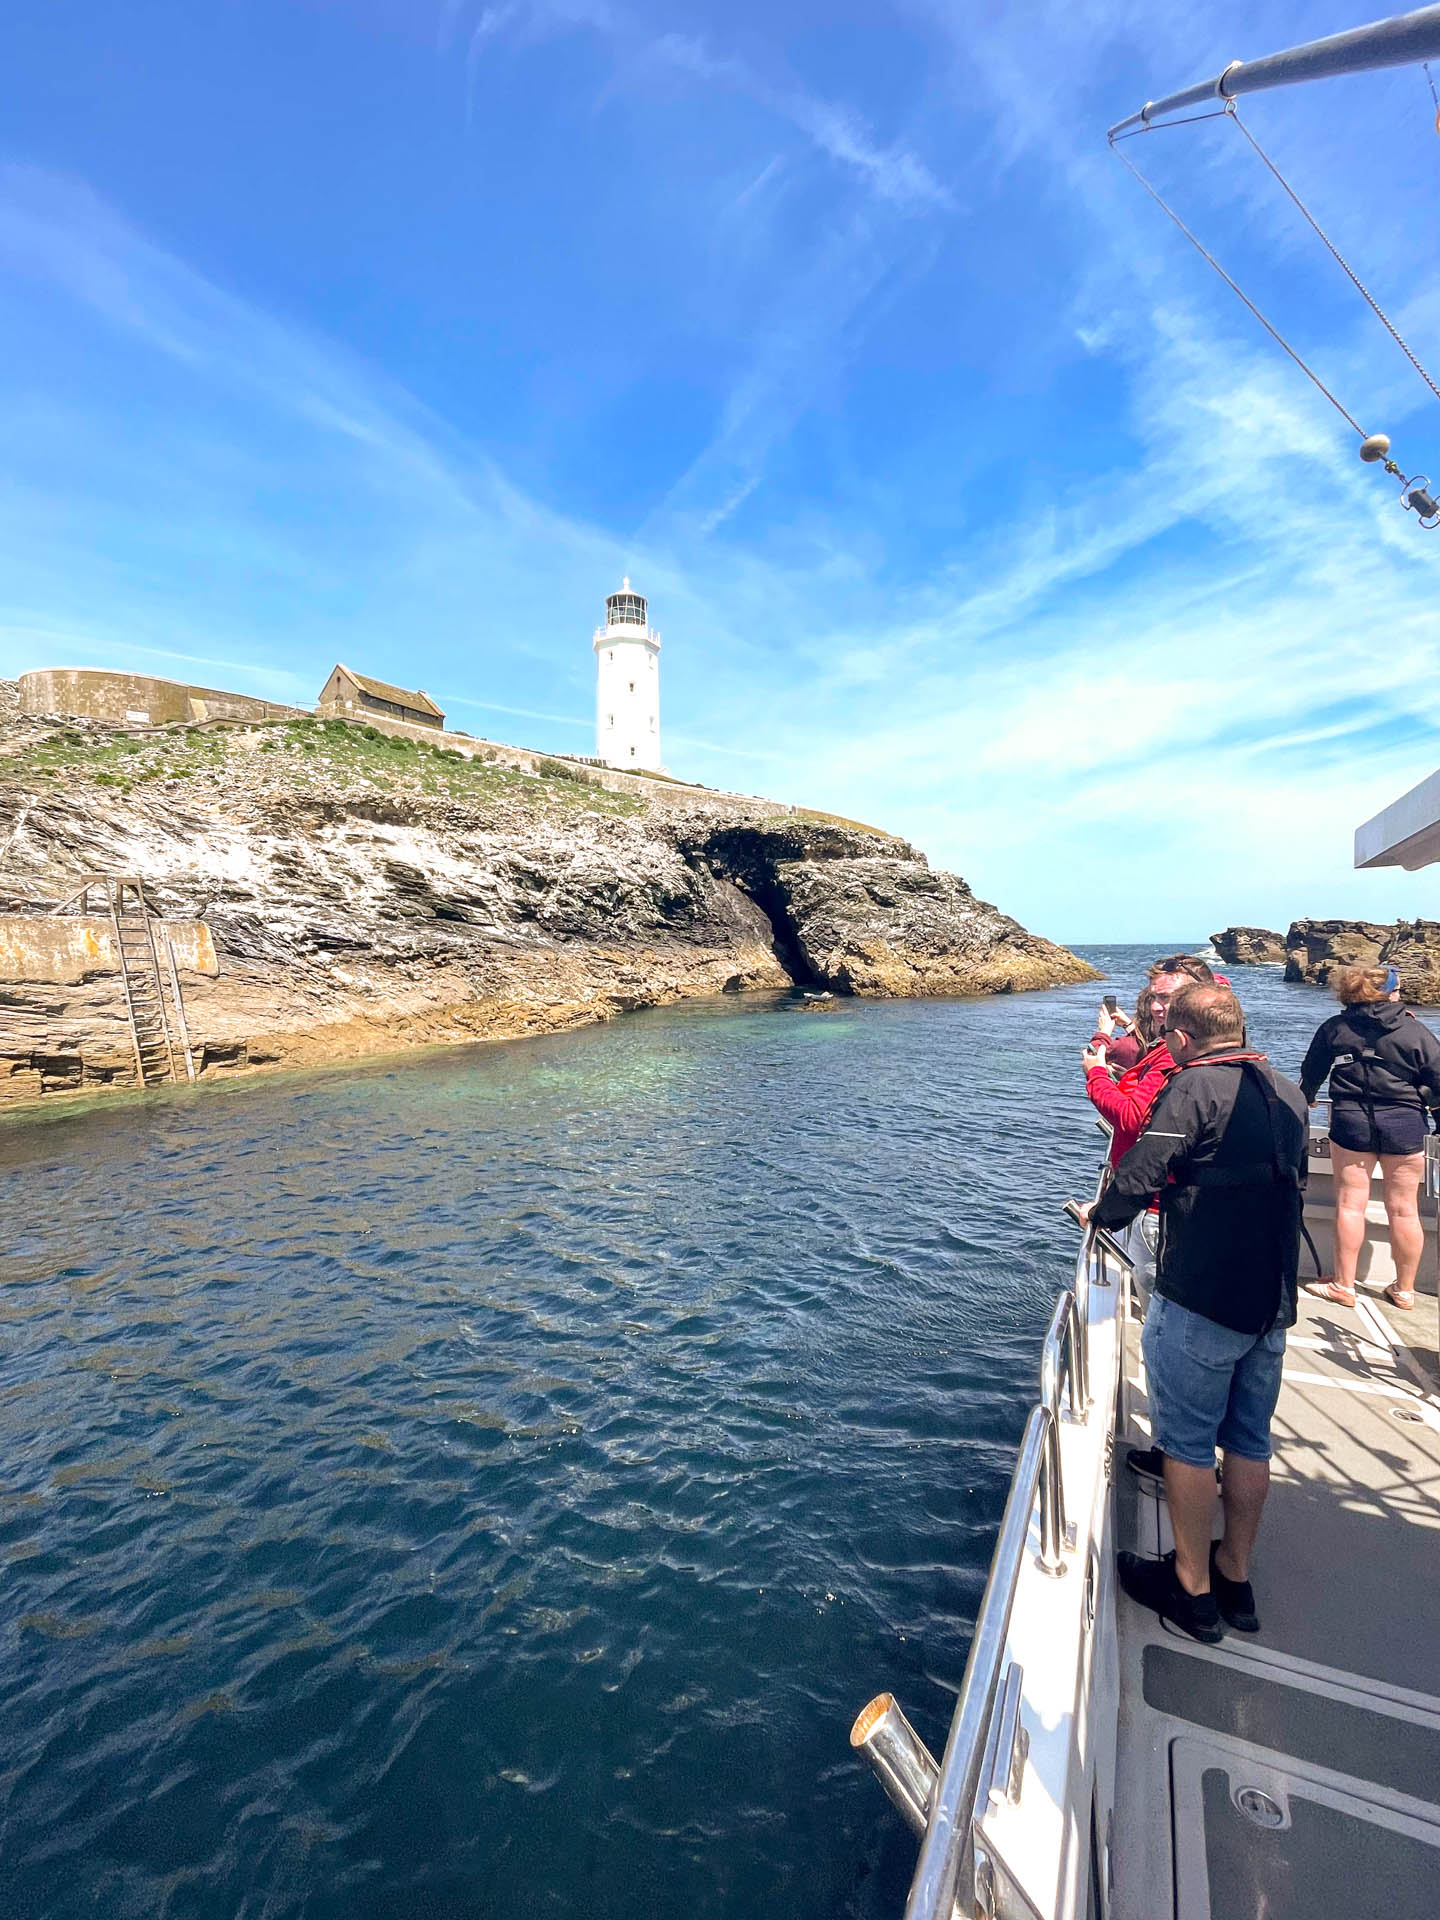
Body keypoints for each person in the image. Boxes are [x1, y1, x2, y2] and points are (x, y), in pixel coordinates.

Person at [1080, 984, 1308, 1642]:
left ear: (1180, 1041)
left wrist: (1102, 1217)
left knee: (1184, 1446)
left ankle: (1192, 1587)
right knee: (1248, 1441)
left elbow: (1141, 1174)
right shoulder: (1285, 1090)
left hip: (1204, 1300)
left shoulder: (1191, 1089)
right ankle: (1235, 1576)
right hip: (1271, 1305)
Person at [1299, 964, 1440, 1312]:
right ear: (1389, 993)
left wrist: (1308, 1096)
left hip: (1351, 1123)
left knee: (1349, 1204)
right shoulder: (1415, 1031)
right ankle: (1405, 1290)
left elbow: (1310, 1073)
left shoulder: (1335, 1028)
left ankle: (1343, 1285)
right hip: (1405, 1124)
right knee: (1405, 1210)